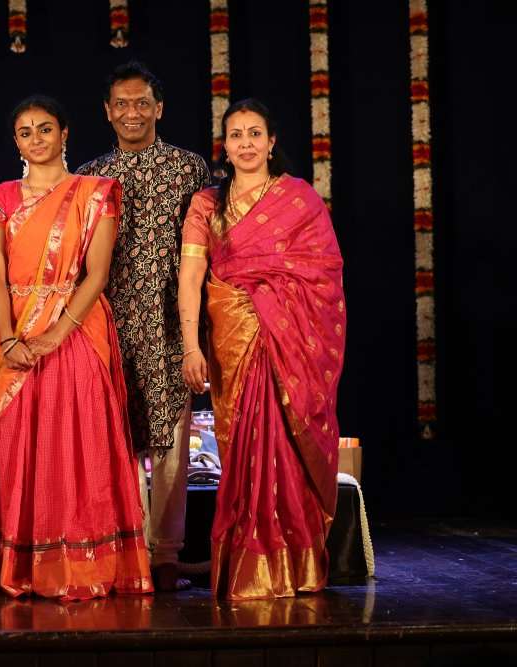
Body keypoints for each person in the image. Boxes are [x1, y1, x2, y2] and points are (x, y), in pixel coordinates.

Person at [0, 95, 152, 600]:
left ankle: (80, 564)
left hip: (77, 332)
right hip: (16, 332)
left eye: (45, 129)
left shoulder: (95, 193)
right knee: (18, 442)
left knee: (78, 443)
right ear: (16, 141)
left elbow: (97, 274)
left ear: (64, 134)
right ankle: (18, 564)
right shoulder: (0, 198)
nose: (36, 139)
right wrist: (9, 338)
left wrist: (56, 333)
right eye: (25, 132)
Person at [178, 98, 346, 600]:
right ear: (225, 146)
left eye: (255, 133)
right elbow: (191, 278)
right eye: (236, 135)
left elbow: (324, 277)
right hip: (232, 340)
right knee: (243, 452)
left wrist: (271, 301)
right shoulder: (206, 205)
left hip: (290, 345)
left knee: (287, 445)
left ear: (272, 142)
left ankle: (295, 565)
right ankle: (247, 565)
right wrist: (190, 346)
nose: (246, 143)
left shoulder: (299, 200)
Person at [77, 62, 208, 591]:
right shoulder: (90, 175)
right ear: (107, 112)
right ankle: (129, 547)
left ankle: (167, 553)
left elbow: (207, 247)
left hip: (172, 321)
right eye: (122, 104)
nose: (132, 112)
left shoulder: (188, 168)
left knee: (173, 436)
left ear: (159, 108)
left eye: (142, 103)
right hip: (111, 319)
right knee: (119, 434)